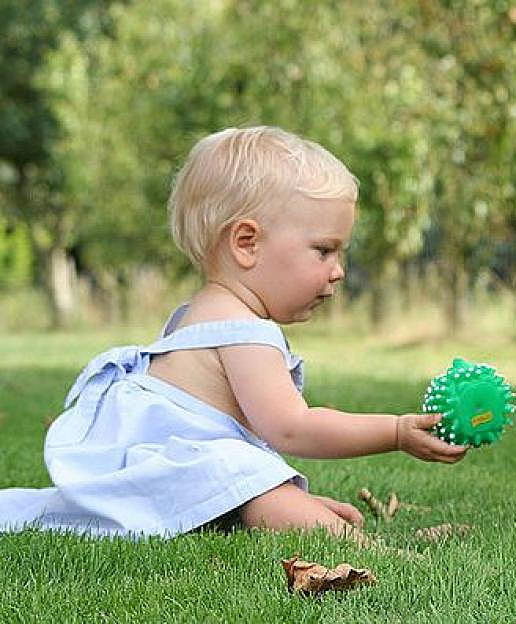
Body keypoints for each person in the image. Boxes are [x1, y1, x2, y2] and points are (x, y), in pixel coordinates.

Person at [0, 126, 467, 543]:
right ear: (246, 243)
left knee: (259, 486)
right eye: (323, 251)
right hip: (180, 471)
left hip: (163, 475)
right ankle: (374, 548)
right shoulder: (246, 331)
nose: (338, 271)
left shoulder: (196, 313)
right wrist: (397, 431)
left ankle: (289, 511)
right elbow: (292, 428)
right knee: (252, 483)